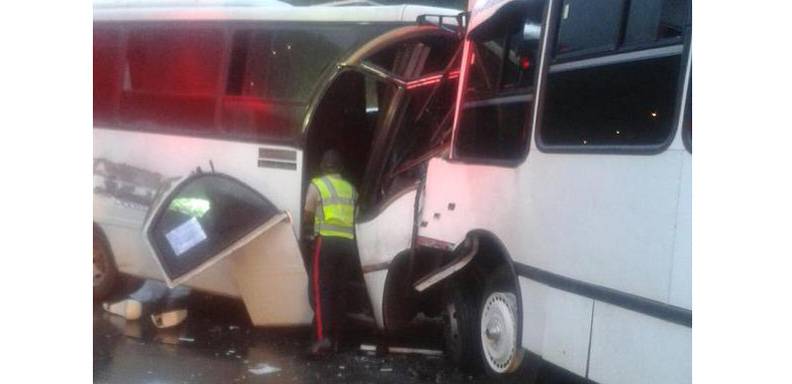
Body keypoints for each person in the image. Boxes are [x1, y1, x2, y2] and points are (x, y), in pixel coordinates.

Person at [303, 150, 358, 356]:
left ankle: (321, 339)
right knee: (340, 292)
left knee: (321, 292)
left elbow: (307, 214)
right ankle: (337, 341)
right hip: (348, 244)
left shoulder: (317, 185)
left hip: (325, 242)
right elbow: (356, 215)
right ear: (340, 168)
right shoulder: (351, 189)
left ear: (323, 167)